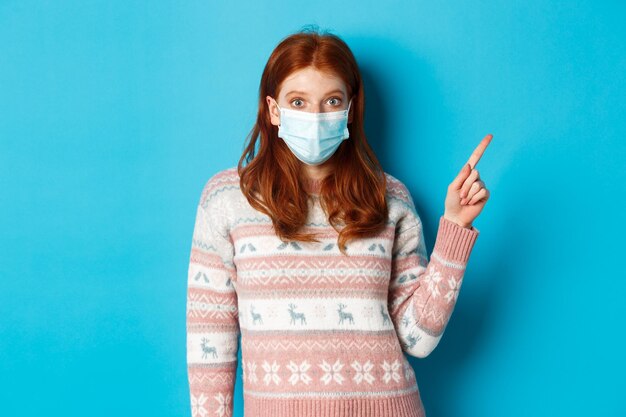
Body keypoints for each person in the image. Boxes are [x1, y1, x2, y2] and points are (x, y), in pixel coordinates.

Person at [186, 27, 491, 417]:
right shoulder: (227, 199)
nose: (315, 116)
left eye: (331, 100)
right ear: (274, 109)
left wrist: (454, 229)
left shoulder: (389, 198)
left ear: (350, 108)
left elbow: (418, 338)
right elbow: (209, 337)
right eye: (298, 101)